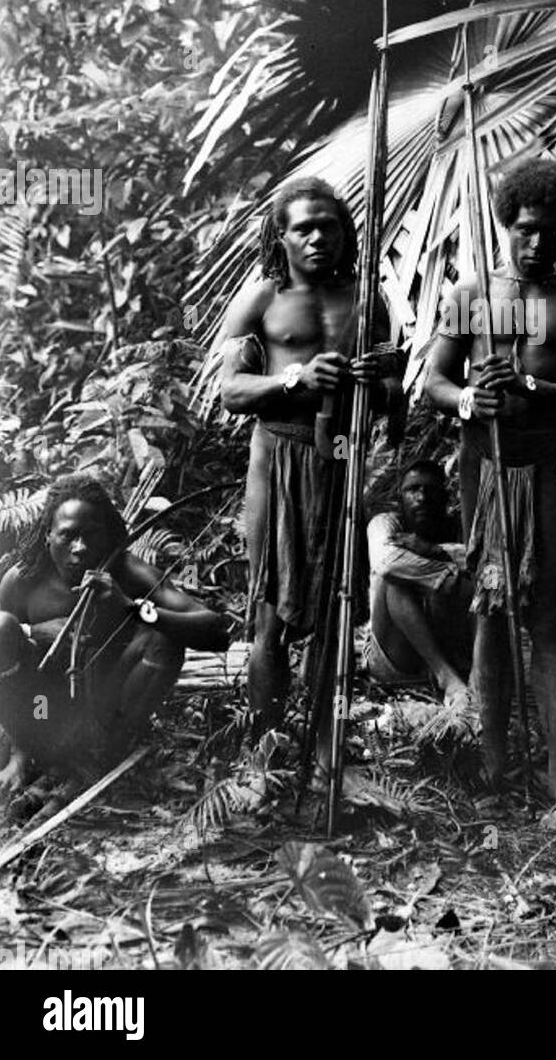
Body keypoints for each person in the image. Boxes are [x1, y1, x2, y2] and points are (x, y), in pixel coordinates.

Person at [426, 158, 556, 811]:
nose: (535, 243)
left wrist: (535, 387)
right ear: (506, 224)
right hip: (485, 467)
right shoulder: (472, 294)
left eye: (550, 232)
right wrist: (467, 401)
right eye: (525, 229)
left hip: (548, 465)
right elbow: (434, 381)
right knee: (491, 607)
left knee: (547, 616)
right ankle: (494, 760)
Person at [220, 178, 402, 769]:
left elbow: (393, 395)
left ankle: (326, 747)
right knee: (270, 613)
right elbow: (231, 391)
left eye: (328, 226)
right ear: (282, 236)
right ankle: (267, 750)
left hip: (340, 460)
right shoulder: (260, 301)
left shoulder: (368, 301)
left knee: (335, 610)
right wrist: (295, 378)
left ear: (345, 232)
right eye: (304, 228)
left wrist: (380, 384)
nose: (318, 238)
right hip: (276, 458)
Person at [0, 476, 230, 804]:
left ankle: (107, 754)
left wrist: (133, 609)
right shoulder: (23, 580)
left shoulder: (127, 572)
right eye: (67, 536)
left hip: (107, 715)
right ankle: (31, 758)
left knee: (164, 636)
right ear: (48, 534)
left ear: (106, 536)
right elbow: (0, 652)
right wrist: (33, 632)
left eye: (91, 535)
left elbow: (217, 631)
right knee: (0, 627)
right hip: (42, 714)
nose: (80, 548)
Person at [366, 460, 472, 708]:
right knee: (395, 581)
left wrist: (434, 551)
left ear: (445, 497)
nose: (422, 498)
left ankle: (466, 673)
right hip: (396, 657)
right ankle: (446, 677)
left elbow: (486, 562)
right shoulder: (385, 524)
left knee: (479, 582)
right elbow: (387, 563)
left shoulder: (457, 526)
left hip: (449, 643)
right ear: (400, 497)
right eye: (413, 489)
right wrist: (447, 574)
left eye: (430, 490)